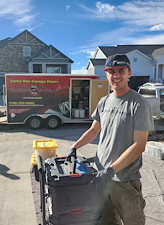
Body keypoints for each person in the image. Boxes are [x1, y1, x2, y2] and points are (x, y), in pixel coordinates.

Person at [67, 54, 154, 225]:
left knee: (133, 222)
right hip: (101, 176)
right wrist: (74, 147)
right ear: (106, 74)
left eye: (121, 71)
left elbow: (139, 145)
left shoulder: (138, 104)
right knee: (105, 221)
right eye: (111, 71)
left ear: (129, 73)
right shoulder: (104, 102)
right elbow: (93, 130)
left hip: (124, 180)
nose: (116, 75)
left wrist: (111, 171)